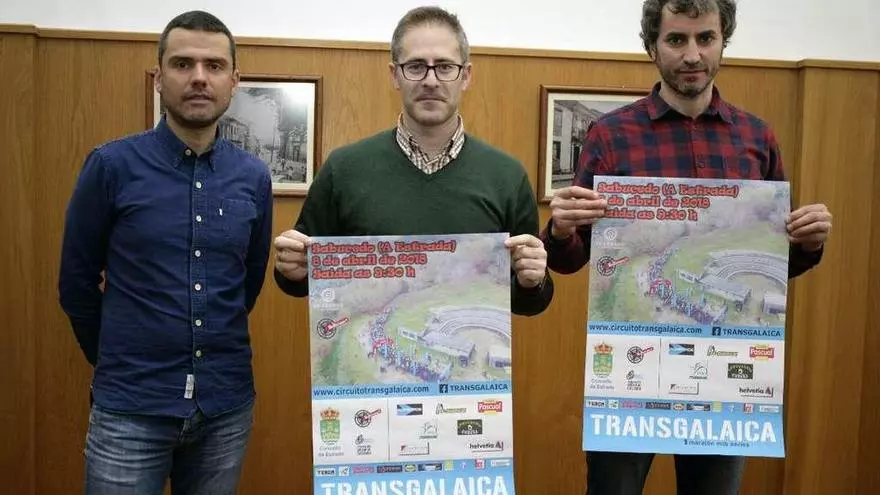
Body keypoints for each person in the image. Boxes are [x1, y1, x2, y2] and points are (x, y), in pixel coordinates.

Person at [540, 0, 833, 494]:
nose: (693, 54)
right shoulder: (610, 135)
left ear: (723, 41)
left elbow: (773, 261)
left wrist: (808, 242)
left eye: (705, 38)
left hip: (725, 374)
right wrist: (560, 230)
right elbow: (572, 260)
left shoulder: (756, 137)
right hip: (631, 370)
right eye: (676, 39)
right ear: (652, 47)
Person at [58, 10, 272, 495]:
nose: (199, 77)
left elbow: (248, 282)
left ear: (234, 81)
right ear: (159, 78)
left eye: (214, 66)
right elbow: (75, 284)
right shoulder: (111, 166)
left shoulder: (253, 176)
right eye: (182, 64)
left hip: (225, 408)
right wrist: (117, 357)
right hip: (130, 408)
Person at [274, 6, 553, 316]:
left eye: (445, 66)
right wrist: (292, 271)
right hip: (367, 343)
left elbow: (530, 300)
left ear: (466, 76)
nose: (431, 80)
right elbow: (303, 277)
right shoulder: (343, 169)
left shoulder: (507, 176)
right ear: (395, 75)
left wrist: (534, 282)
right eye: (416, 66)